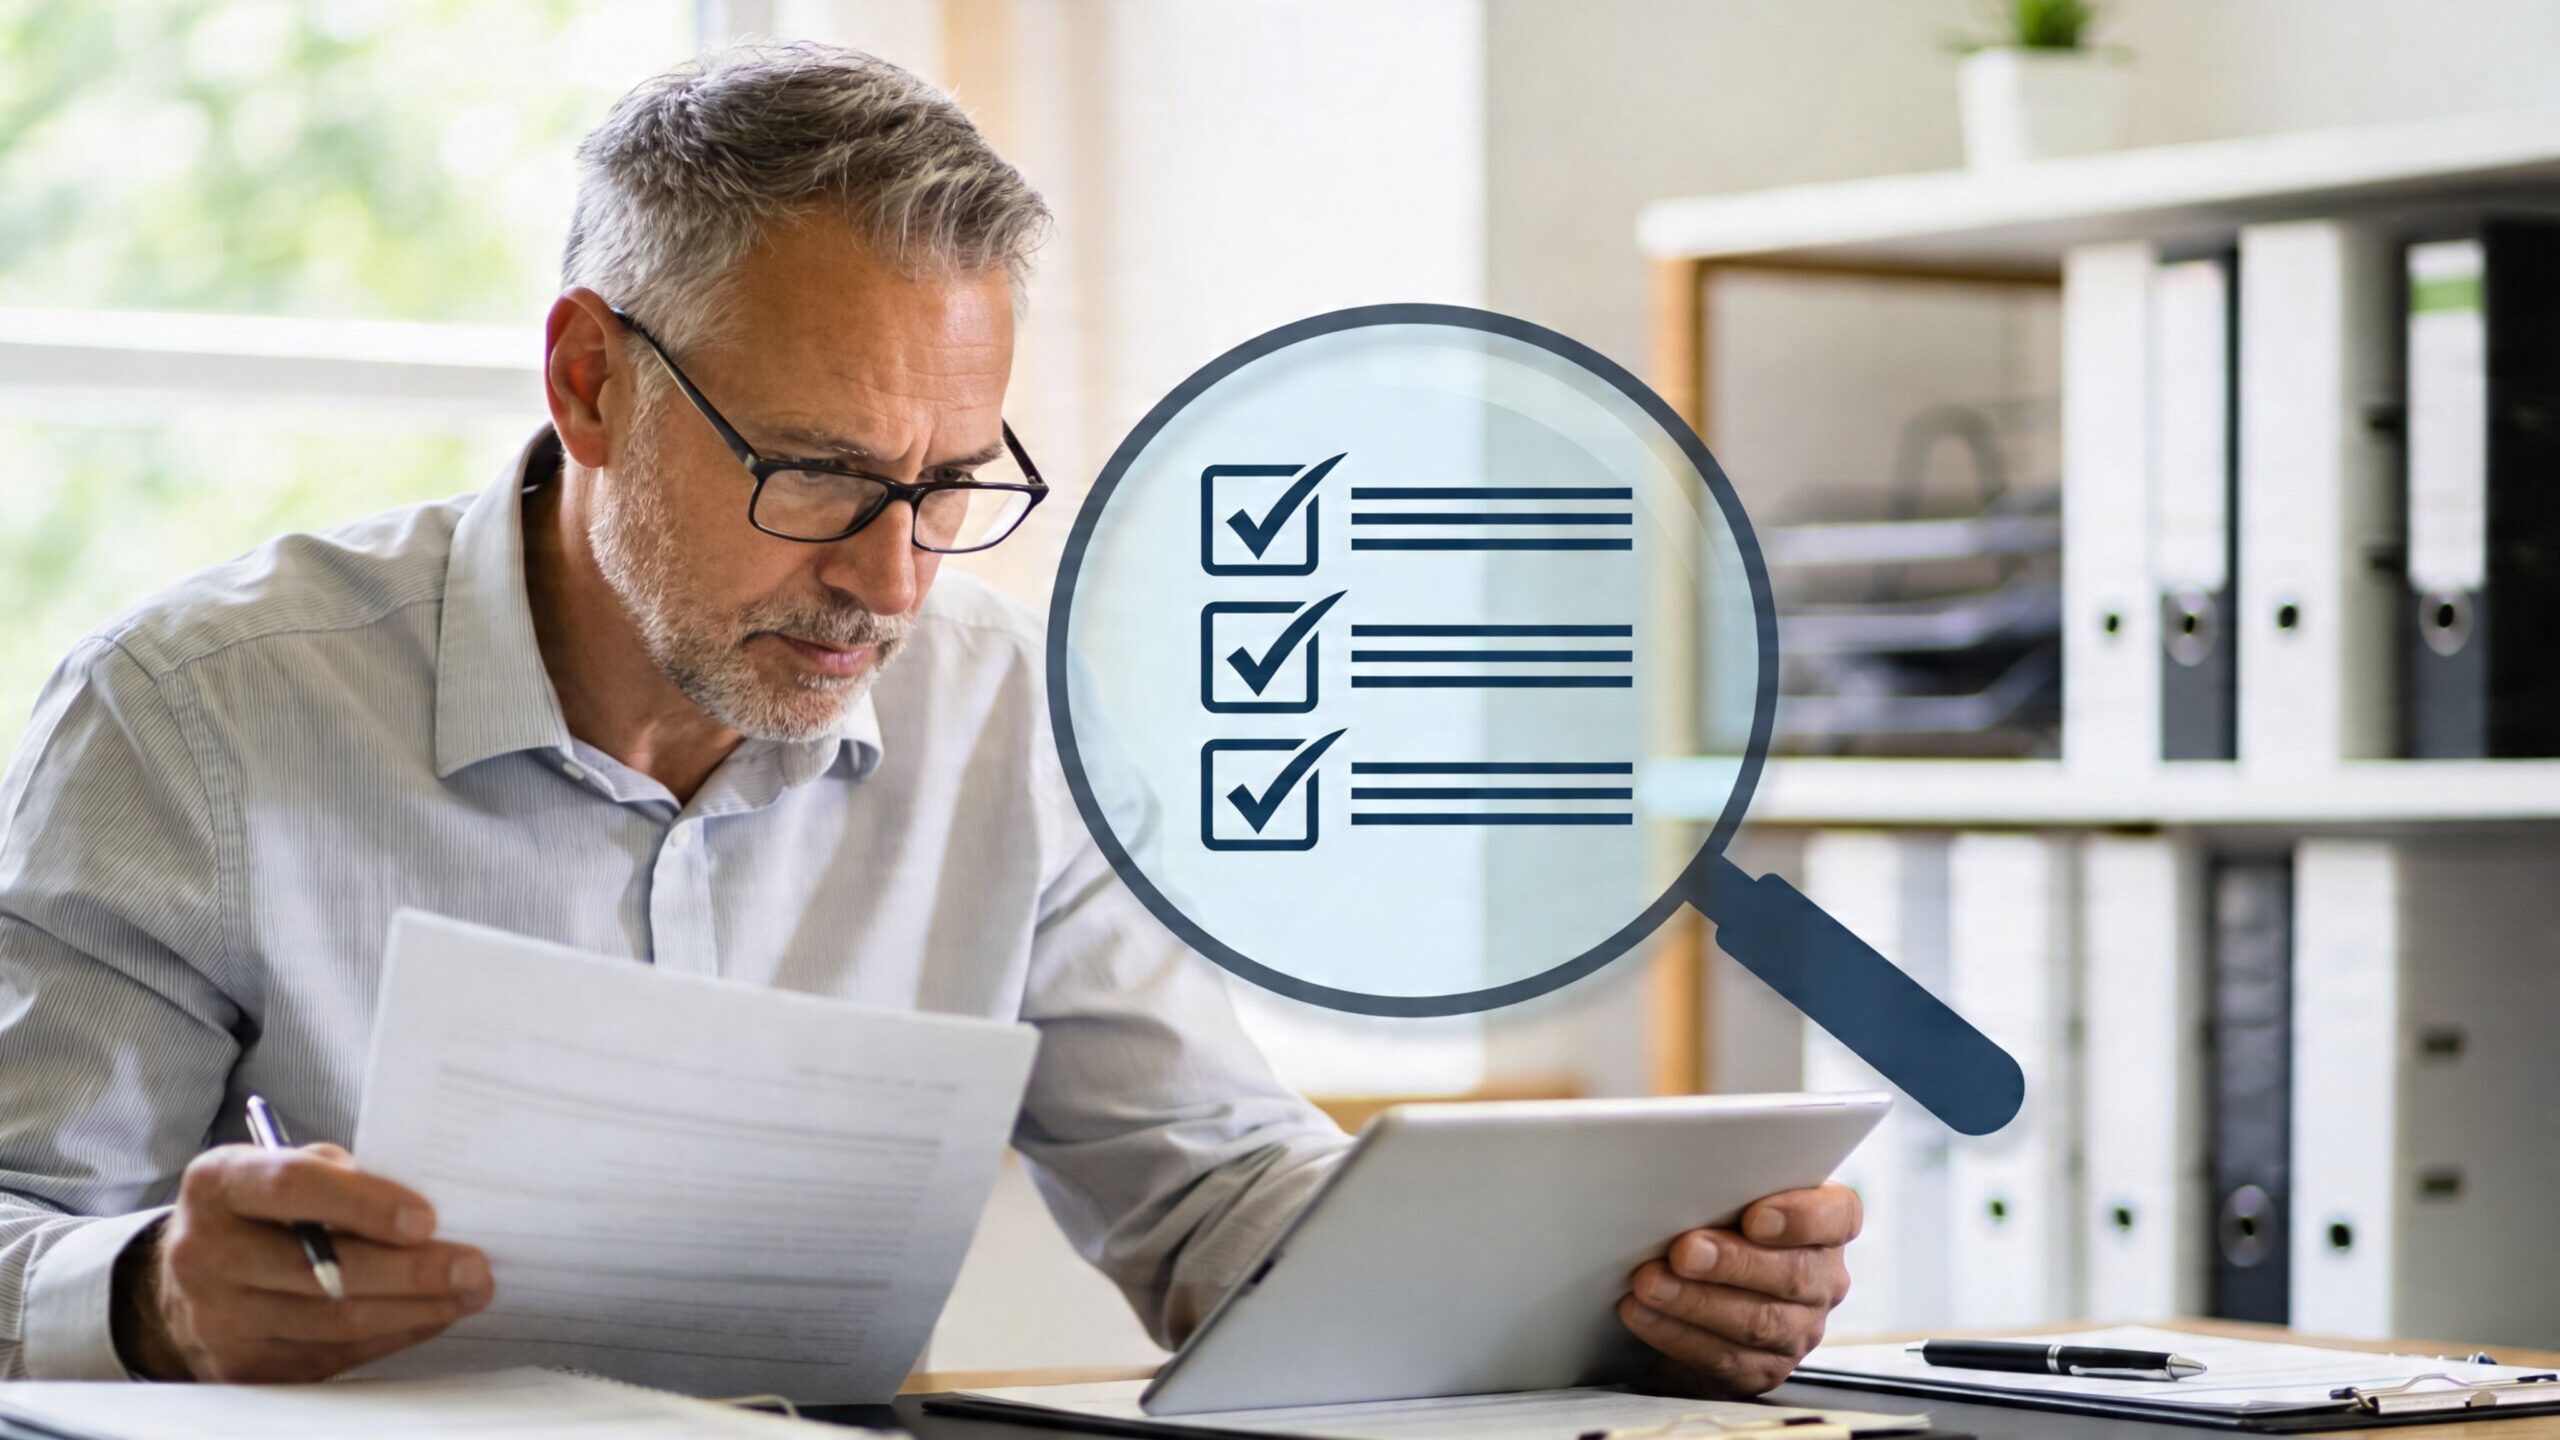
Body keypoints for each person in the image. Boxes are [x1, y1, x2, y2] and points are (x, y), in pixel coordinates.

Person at [0, 41, 1858, 1390]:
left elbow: (1213, 1193)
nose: (892, 583)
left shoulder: (1009, 711)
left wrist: (1597, 1294)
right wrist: (153, 1296)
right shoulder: (192, 720)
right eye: (815, 473)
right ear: (590, 381)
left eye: (954, 482)